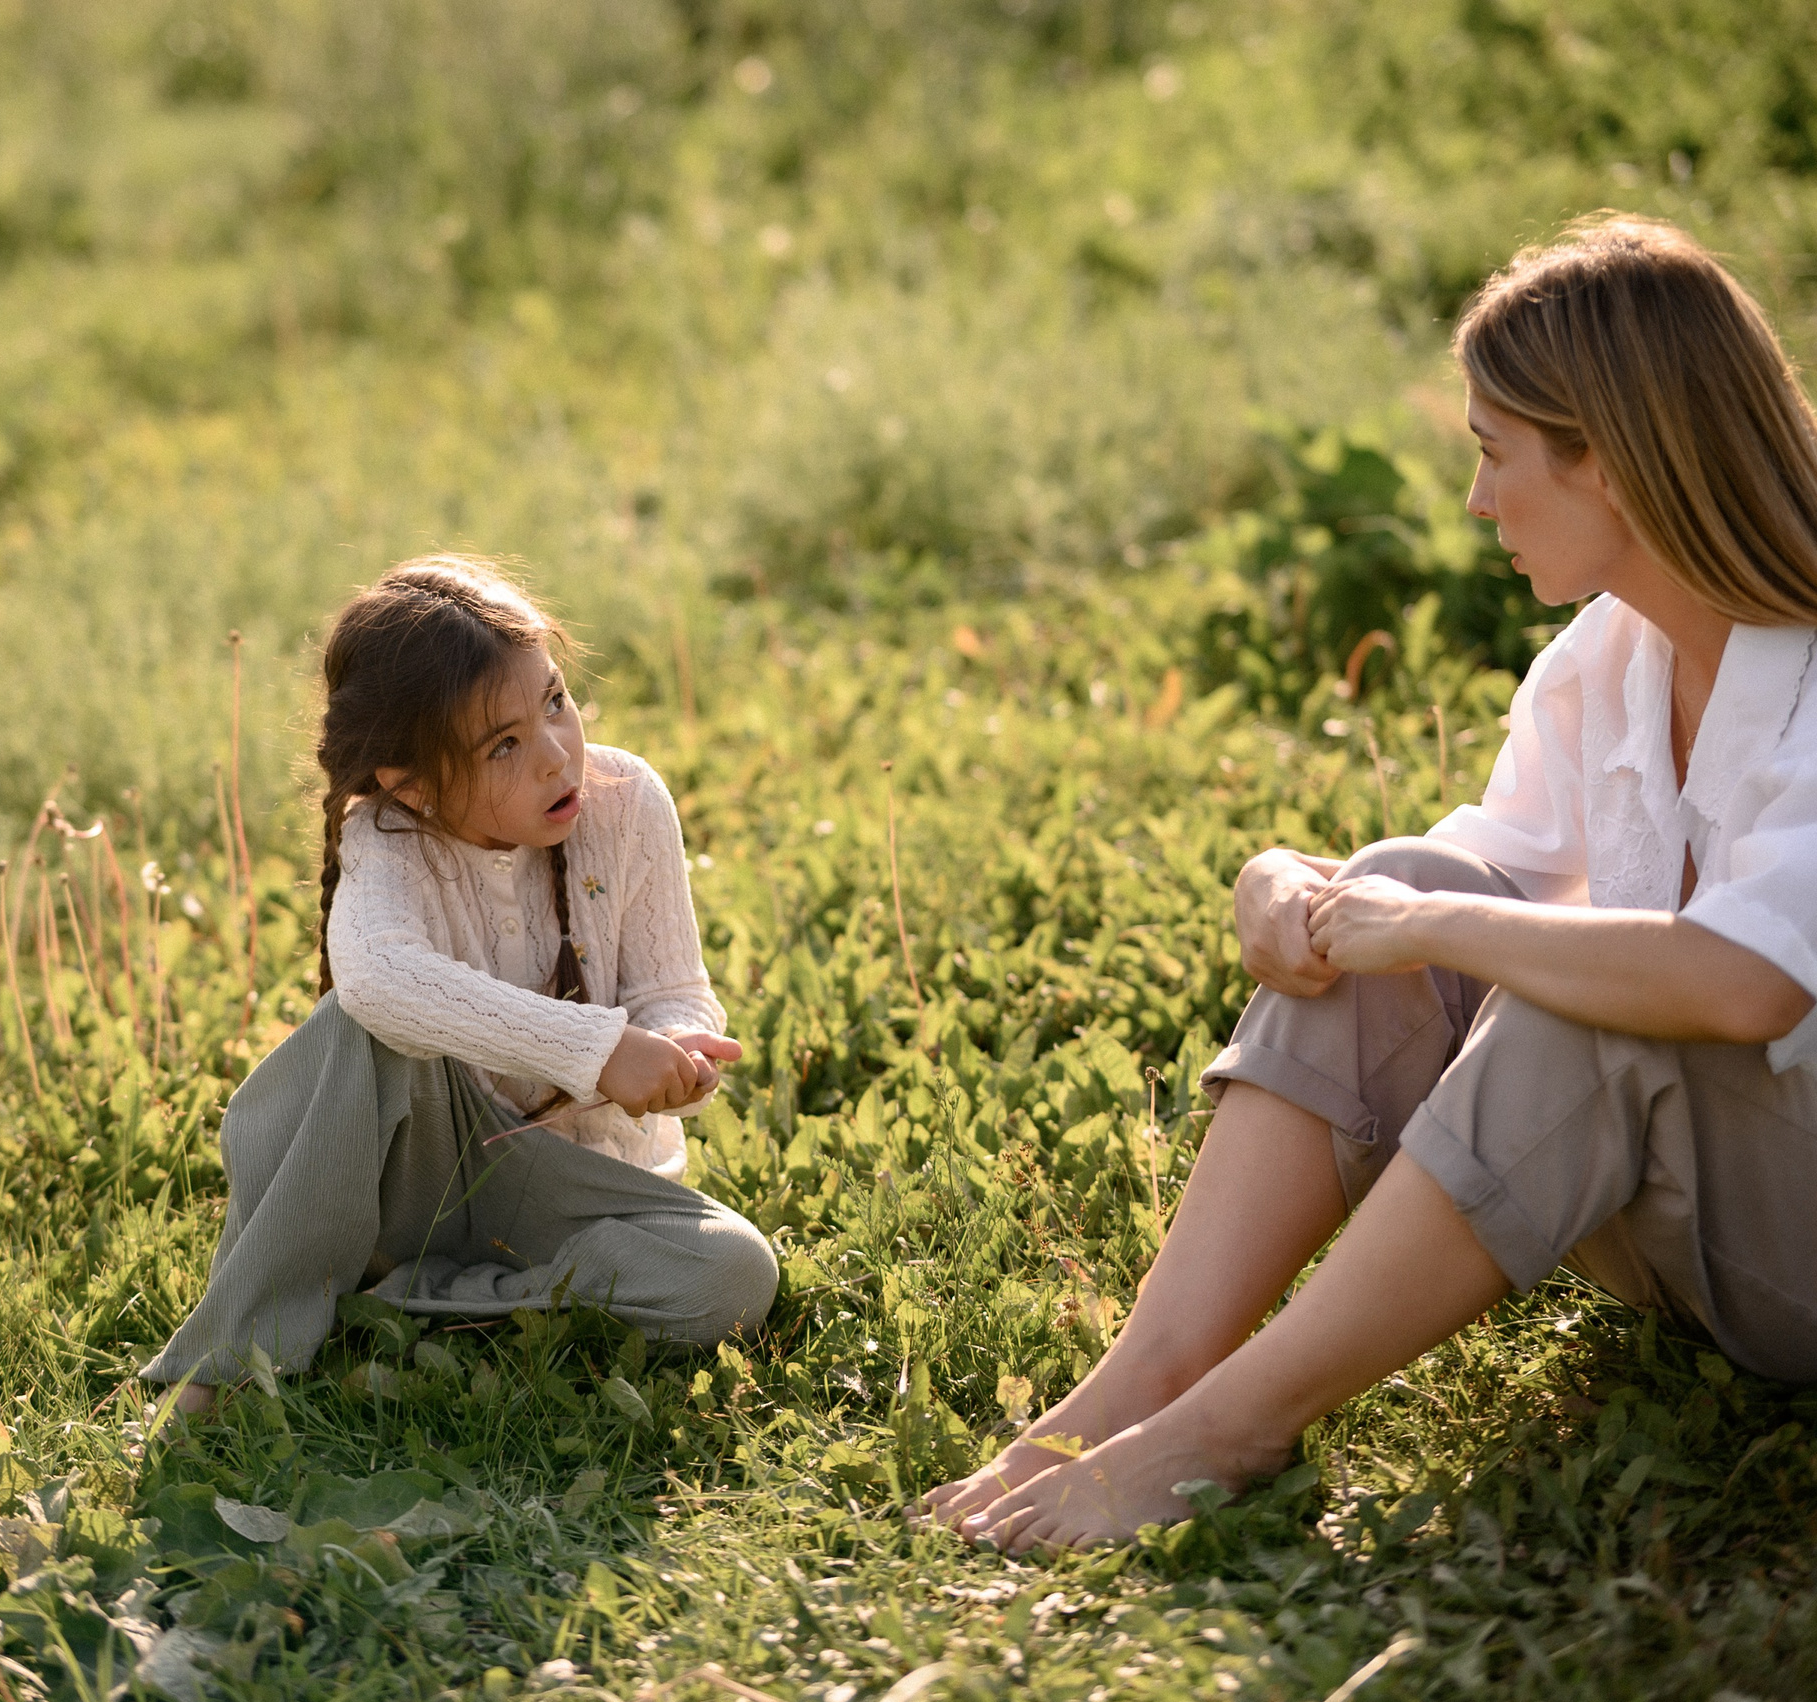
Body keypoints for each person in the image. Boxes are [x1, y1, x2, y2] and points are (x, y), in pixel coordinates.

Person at [919, 215, 1817, 1550]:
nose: (1473, 503)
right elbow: (1462, 879)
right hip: (1699, 1235)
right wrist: (1293, 886)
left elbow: (1746, 981)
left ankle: (1232, 1425)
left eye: (1492, 456)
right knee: (1413, 886)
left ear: (1612, 463)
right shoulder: (1605, 661)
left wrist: (1443, 924)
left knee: (1571, 986)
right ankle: (1147, 1379)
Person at [144, 556, 779, 1410]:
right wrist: (598, 1049)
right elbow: (378, 979)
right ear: (412, 783)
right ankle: (222, 1369)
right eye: (503, 745)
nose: (557, 755)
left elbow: (676, 985)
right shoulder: (391, 835)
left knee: (735, 1274)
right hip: (424, 1178)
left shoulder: (627, 802)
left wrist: (670, 1046)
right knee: (361, 1027)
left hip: (578, 1197)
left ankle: (407, 1303)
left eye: (555, 700)